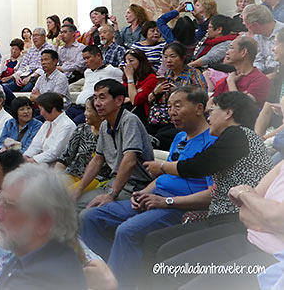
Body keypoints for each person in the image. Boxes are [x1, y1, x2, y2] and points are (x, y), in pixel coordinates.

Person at [82, 86, 217, 288]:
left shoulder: (214, 144)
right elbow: (163, 176)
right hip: (154, 196)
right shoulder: (179, 138)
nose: (171, 112)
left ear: (199, 108)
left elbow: (211, 194)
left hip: (177, 206)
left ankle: (120, 284)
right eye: (169, 106)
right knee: (90, 217)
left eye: (178, 106)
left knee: (127, 231)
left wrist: (165, 202)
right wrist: (142, 193)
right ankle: (105, 272)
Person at [141, 91, 273, 277]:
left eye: (211, 111)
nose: (207, 116)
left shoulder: (238, 134)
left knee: (164, 250)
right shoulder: (239, 137)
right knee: (155, 240)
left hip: (236, 221)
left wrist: (162, 166)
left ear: (228, 113)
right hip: (222, 218)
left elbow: (198, 166)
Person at [0, 164, 87, 289]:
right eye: (0, 202)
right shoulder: (30, 254)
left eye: (9, 205)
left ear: (43, 223)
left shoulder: (39, 281)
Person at [73, 79, 154, 210]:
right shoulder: (105, 124)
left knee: (88, 213)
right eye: (95, 98)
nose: (97, 103)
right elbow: (97, 160)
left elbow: (130, 160)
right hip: (114, 183)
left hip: (135, 186)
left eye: (102, 98)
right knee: (71, 204)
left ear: (119, 101)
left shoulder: (129, 120)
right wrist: (79, 189)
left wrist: (111, 194)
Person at [147, 43, 207, 146]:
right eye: (165, 57)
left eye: (172, 56)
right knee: (145, 131)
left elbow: (203, 97)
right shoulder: (166, 75)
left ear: (183, 57)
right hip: (163, 117)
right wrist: (156, 92)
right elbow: (149, 99)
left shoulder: (194, 74)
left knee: (160, 137)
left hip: (184, 118)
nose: (168, 60)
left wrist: (178, 92)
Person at [212, 36, 271, 103]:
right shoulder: (230, 77)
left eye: (231, 48)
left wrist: (231, 82)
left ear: (243, 52)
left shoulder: (260, 80)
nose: (227, 52)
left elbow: (242, 107)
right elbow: (211, 101)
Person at [23, 92, 76, 164]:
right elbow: (36, 144)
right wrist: (27, 156)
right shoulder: (47, 123)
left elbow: (55, 153)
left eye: (41, 109)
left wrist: (32, 160)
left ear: (52, 109)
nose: (41, 113)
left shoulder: (67, 126)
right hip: (40, 163)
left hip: (55, 166)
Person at [6, 27, 55, 92]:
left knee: (25, 91)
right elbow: (23, 64)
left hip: (38, 76)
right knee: (6, 88)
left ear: (44, 37)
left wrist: (30, 77)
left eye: (37, 35)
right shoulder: (31, 50)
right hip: (24, 75)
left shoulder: (50, 48)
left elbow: (45, 67)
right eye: (33, 36)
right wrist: (17, 76)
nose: (34, 38)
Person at [243, 3, 284, 73]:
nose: (246, 28)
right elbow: (258, 61)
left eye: (246, 25)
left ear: (255, 25)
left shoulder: (282, 32)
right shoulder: (256, 37)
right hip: (264, 73)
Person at [123, 49, 158, 121]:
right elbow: (120, 97)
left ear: (141, 61)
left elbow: (135, 101)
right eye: (126, 62)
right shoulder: (128, 78)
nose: (128, 64)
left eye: (131, 61)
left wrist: (130, 78)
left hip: (142, 115)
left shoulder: (151, 78)